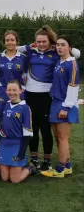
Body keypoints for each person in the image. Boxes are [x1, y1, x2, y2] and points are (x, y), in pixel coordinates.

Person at [16, 25, 81, 171]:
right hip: (30, 95)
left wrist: (57, 46)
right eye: (38, 42)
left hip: (46, 96)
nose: (41, 44)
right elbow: (15, 48)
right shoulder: (31, 52)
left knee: (46, 130)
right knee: (32, 128)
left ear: (50, 42)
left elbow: (75, 54)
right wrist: (29, 46)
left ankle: (47, 160)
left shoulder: (56, 53)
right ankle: (33, 159)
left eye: (44, 42)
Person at [41, 35, 80, 178]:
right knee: (58, 137)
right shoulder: (59, 62)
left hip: (65, 104)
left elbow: (73, 87)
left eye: (63, 45)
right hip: (55, 102)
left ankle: (59, 170)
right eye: (57, 45)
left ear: (70, 47)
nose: (59, 47)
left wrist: (66, 107)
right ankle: (67, 166)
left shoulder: (72, 64)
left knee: (63, 138)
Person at [0, 80, 36, 183]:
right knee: (4, 178)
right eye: (9, 90)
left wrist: (21, 153)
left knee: (15, 180)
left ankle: (29, 168)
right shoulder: (5, 105)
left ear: (21, 91)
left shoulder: (25, 108)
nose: (12, 92)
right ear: (6, 91)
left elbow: (28, 134)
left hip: (17, 145)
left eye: (14, 90)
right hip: (4, 143)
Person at [0, 31, 28, 102]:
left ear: (17, 41)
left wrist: (21, 89)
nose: (10, 42)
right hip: (1, 93)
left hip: (18, 94)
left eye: (12, 40)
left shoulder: (23, 57)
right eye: (7, 40)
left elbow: (25, 76)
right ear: (4, 42)